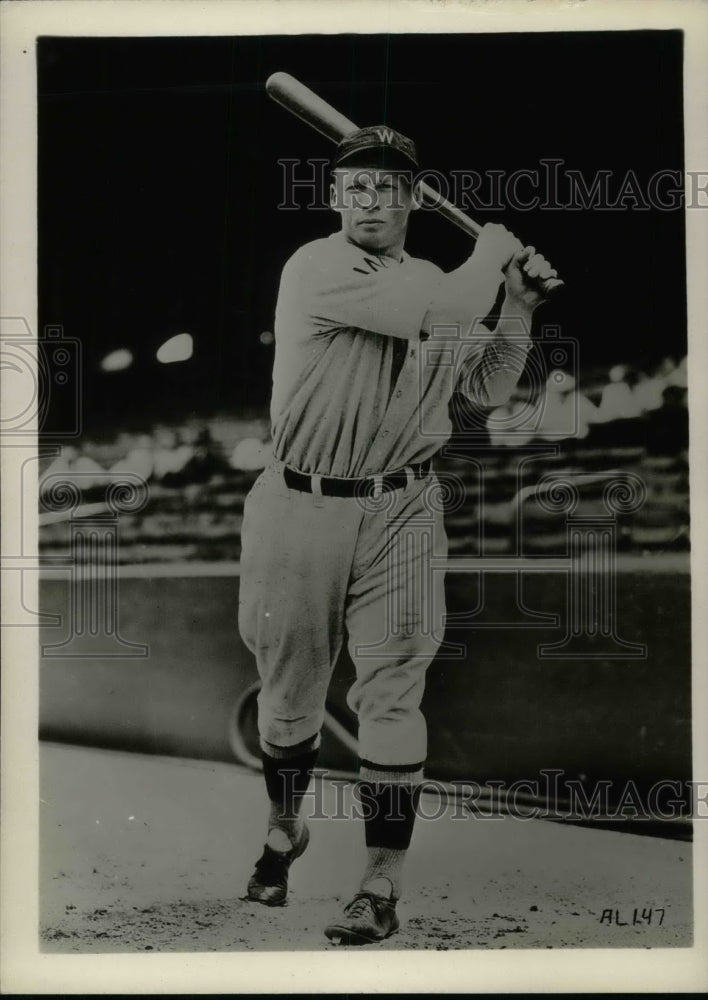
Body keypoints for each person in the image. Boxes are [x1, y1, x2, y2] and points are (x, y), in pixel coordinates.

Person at [237, 126, 559, 945]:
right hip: (299, 502)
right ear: (334, 198)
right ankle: (286, 826)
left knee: (392, 693)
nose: (371, 200)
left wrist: (517, 308)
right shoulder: (318, 267)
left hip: (405, 507)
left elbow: (484, 390)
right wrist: (491, 255)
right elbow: (449, 304)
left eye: (389, 187)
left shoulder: (434, 276)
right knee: (288, 705)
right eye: (356, 187)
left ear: (414, 200)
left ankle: (380, 886)